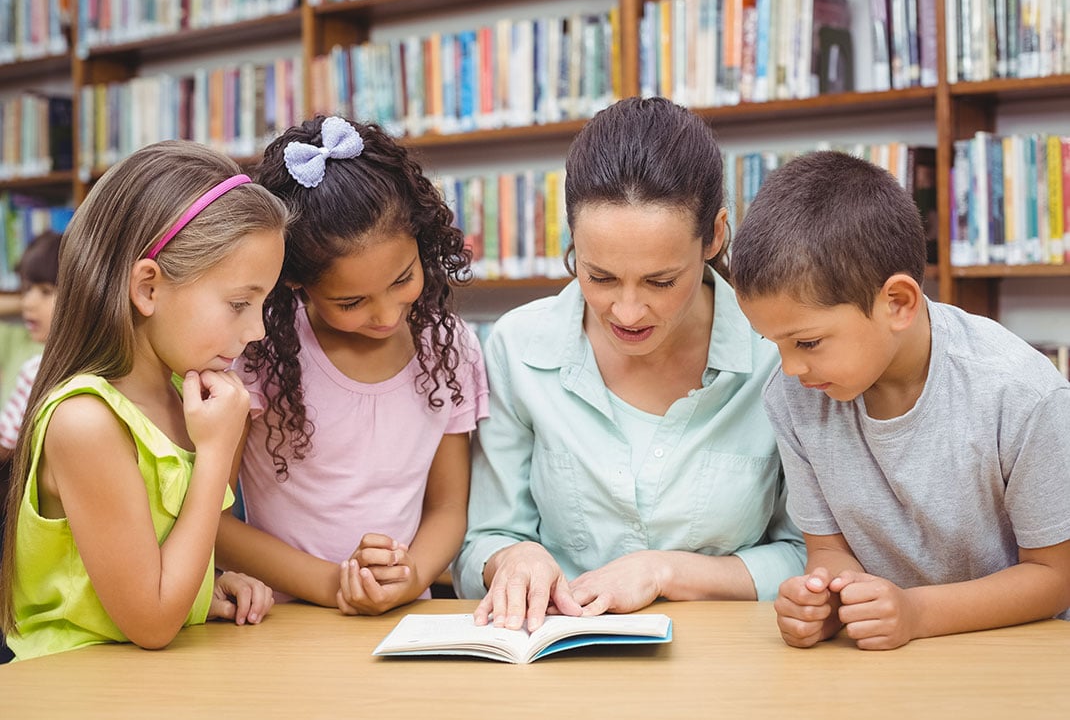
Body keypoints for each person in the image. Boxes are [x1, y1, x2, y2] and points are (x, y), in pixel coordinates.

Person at [453, 96, 805, 631]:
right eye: (599, 276)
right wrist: (512, 560)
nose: (628, 311)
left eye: (661, 282)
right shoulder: (519, 347)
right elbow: (483, 542)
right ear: (571, 239)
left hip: (731, 668)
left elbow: (807, 556)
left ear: (714, 236)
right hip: (560, 661)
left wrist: (664, 572)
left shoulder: (777, 354)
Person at [731, 150, 1070, 651]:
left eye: (806, 343)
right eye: (771, 343)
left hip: (1017, 652)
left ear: (897, 303)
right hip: (886, 655)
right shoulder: (795, 397)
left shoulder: (1021, 393)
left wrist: (915, 612)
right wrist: (824, 595)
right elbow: (829, 550)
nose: (789, 368)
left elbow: (1053, 576)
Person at [0, 140, 286, 661]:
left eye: (263, 304)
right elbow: (151, 621)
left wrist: (203, 593)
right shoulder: (86, 421)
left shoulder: (186, 400)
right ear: (148, 288)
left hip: (144, 681)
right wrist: (217, 453)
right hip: (69, 691)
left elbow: (151, 581)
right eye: (240, 303)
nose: (256, 330)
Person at [215, 115, 488, 615]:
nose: (385, 315)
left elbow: (448, 508)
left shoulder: (450, 350)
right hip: (277, 623)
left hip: (402, 620)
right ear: (294, 281)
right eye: (351, 302)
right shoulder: (261, 355)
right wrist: (334, 585)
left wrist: (410, 578)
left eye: (403, 279)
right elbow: (212, 519)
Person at [0, 231, 63, 463]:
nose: (27, 303)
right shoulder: (21, 340)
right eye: (26, 289)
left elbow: (7, 445)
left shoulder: (41, 367)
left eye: (46, 291)